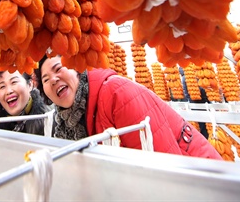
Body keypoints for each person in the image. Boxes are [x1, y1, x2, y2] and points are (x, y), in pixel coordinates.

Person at [35, 55, 222, 160]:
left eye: (58, 69)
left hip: (201, 182)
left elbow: (164, 162)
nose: (53, 79)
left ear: (77, 68)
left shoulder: (116, 93)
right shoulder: (64, 124)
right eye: (45, 79)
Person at [0, 70, 52, 135]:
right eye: (2, 86)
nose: (8, 91)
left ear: (30, 85)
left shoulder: (49, 121)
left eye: (14, 82)